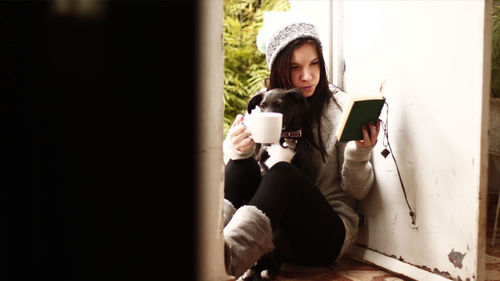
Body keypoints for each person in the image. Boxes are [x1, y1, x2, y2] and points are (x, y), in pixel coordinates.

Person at [222, 11, 381, 280]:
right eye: (295, 68)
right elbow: (246, 179)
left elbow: (358, 190)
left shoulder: (340, 108)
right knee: (241, 164)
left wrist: (359, 152)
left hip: (323, 237)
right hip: (274, 237)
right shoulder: (263, 104)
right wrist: (237, 149)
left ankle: (226, 264)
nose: (308, 76)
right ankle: (212, 247)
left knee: (282, 173)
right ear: (278, 68)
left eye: (315, 64)